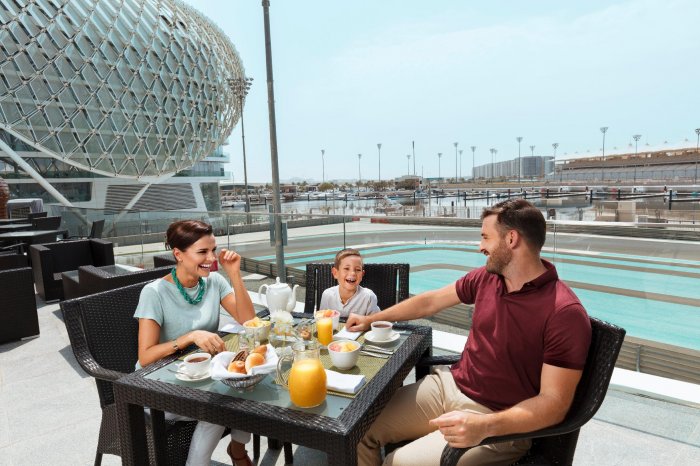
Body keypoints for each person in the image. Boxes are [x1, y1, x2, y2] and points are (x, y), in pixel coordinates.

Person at [346, 199, 592, 465]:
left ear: (511, 239)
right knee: (358, 430)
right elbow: (430, 301)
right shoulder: (487, 278)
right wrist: (372, 319)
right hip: (449, 386)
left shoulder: (563, 312)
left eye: (485, 237)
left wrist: (484, 426)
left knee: (397, 462)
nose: (480, 246)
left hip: (496, 418)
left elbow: (554, 404)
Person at [134, 220, 255, 466]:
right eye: (202, 252)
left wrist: (234, 274)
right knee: (221, 404)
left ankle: (237, 449)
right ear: (178, 254)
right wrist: (189, 337)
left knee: (248, 381)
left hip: (201, 377)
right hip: (157, 387)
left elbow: (248, 321)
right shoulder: (154, 292)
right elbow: (145, 357)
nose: (211, 258)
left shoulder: (214, 281)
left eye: (213, 250)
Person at [319, 248, 380, 317]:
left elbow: (375, 321)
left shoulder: (369, 297)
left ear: (362, 275)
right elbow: (322, 319)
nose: (353, 273)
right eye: (346, 268)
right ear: (335, 273)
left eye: (358, 269)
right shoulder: (327, 295)